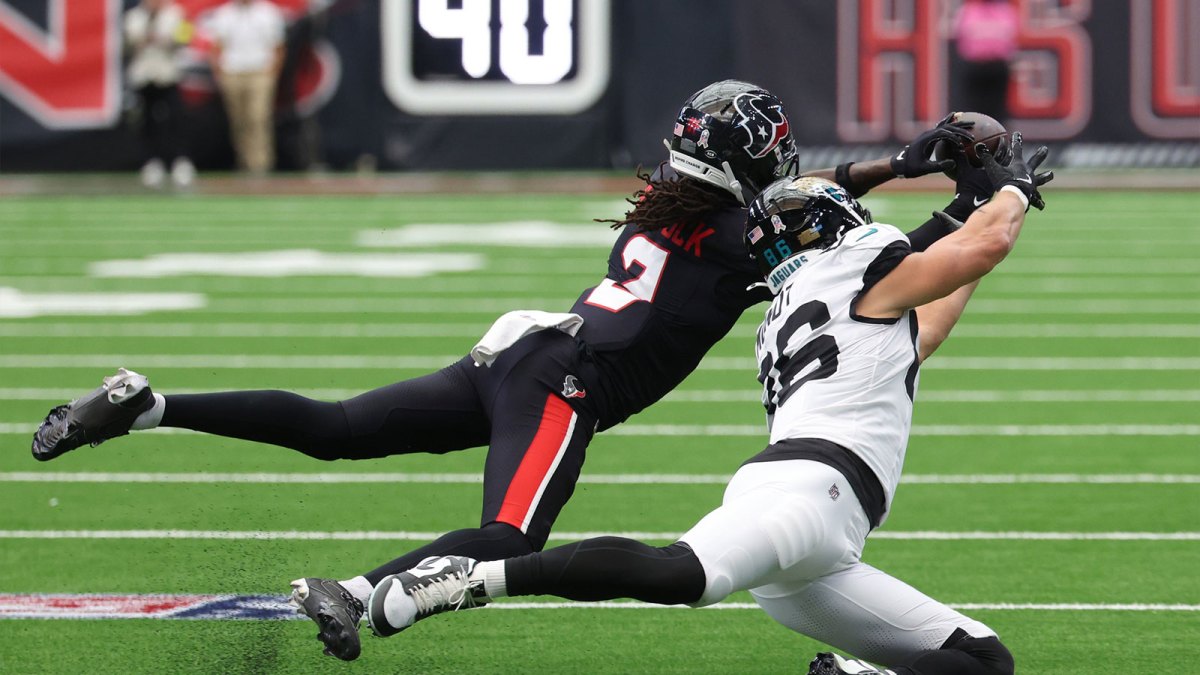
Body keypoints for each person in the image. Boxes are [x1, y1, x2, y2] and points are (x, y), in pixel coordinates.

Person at [31, 81, 987, 662]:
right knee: (507, 533)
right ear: (744, 164)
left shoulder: (669, 206)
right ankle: (362, 591)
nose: (786, 159)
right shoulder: (745, 238)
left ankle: (151, 404)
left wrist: (899, 164)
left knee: (338, 426)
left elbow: (793, 200)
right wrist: (925, 178)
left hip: (521, 347)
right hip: (566, 382)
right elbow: (817, 217)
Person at [361, 139, 1053, 674]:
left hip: (819, 538)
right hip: (809, 497)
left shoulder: (806, 297)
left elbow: (923, 328)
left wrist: (979, 209)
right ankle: (465, 580)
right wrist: (1008, 190)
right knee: (680, 573)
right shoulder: (852, 267)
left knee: (983, 660)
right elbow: (985, 243)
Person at [123, 0, 195, 187]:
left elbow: (186, 37)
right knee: (146, 122)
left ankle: (180, 162)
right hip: (143, 75)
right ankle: (152, 163)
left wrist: (167, 39)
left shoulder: (175, 14)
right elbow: (127, 44)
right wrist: (143, 39)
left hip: (167, 74)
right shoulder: (134, 16)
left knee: (176, 119)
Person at [207, 0, 285, 173]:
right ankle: (243, 163)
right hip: (233, 72)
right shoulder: (225, 13)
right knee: (238, 120)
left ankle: (260, 165)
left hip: (259, 72)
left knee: (258, 118)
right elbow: (216, 47)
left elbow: (278, 47)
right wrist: (220, 73)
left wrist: (271, 74)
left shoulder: (268, 12)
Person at [953, 0, 1019, 122]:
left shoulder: (1004, 10)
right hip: (975, 68)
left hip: (996, 67)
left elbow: (1011, 39)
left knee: (997, 110)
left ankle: (996, 138)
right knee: (972, 110)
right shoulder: (969, 10)